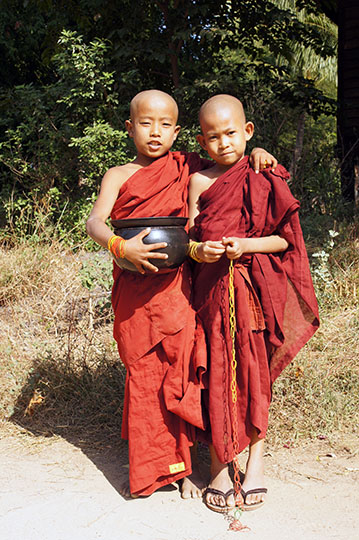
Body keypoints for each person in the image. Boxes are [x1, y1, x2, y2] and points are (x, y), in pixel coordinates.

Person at [86, 89, 278, 499]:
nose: (155, 133)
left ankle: (184, 466)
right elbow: (95, 222)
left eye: (164, 125)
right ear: (129, 127)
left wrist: (259, 150)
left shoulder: (189, 167)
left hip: (177, 289)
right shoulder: (118, 175)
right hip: (136, 290)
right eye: (145, 123)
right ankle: (154, 470)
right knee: (144, 376)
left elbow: (231, 162)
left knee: (182, 373)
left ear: (178, 132)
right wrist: (121, 247)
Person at [188, 94, 319, 512]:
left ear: (247, 132)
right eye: (213, 136)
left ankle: (255, 463)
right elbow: (189, 236)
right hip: (210, 293)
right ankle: (219, 466)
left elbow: (285, 238)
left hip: (255, 292)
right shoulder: (200, 181)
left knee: (254, 374)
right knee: (216, 372)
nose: (223, 143)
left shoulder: (265, 172)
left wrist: (245, 245)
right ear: (202, 141)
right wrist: (200, 251)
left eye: (231, 133)